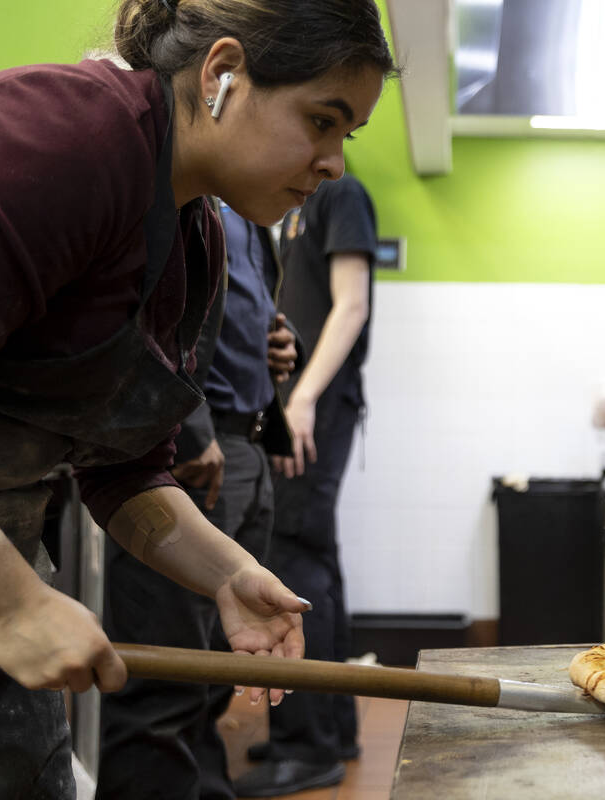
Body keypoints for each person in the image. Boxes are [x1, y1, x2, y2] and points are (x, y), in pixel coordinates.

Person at [0, 0, 395, 797]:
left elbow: (126, 472)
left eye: (346, 136)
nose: (334, 164)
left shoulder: (194, 238)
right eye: (322, 120)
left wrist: (225, 572)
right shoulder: (68, 138)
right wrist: (13, 602)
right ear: (222, 75)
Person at [97, 202, 301, 800]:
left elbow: (232, 318)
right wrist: (191, 428)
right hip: (190, 453)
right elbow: (135, 323)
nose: (330, 163)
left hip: (247, 444)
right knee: (167, 680)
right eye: (320, 121)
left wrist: (283, 341)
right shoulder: (178, 193)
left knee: (216, 671)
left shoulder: (252, 213)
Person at [233, 175, 377, 797]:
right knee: (316, 560)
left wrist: (304, 398)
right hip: (296, 402)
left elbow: (352, 304)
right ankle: (333, 728)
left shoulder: (342, 196)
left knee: (293, 555)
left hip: (312, 406)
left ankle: (307, 744)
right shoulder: (291, 208)